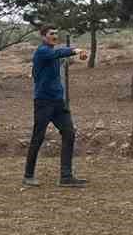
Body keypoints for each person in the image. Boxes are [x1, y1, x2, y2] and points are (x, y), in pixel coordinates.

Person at [23, 26, 88, 188]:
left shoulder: (53, 52)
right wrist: (75, 50)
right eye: (51, 34)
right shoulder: (42, 51)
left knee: (69, 133)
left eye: (56, 34)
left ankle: (66, 177)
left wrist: (79, 54)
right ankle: (28, 175)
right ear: (43, 36)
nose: (55, 36)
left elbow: (59, 55)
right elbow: (57, 53)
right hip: (43, 102)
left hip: (58, 102)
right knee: (38, 138)